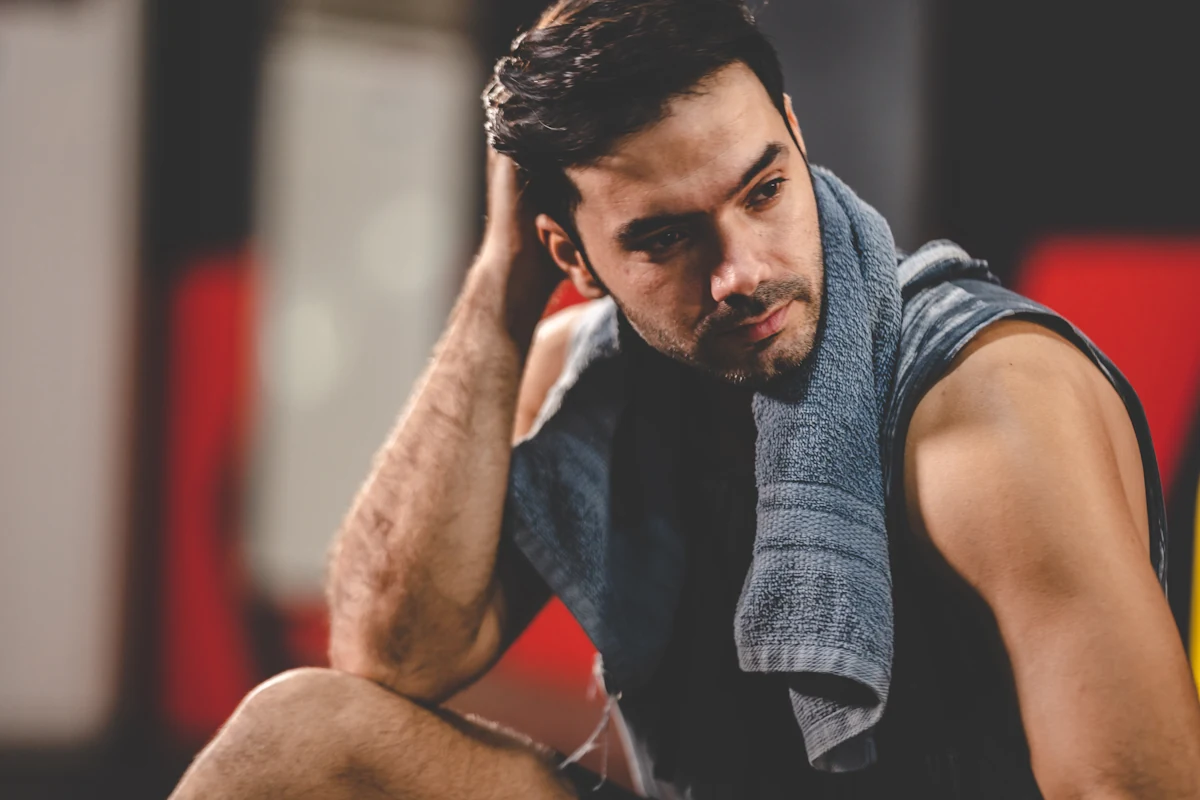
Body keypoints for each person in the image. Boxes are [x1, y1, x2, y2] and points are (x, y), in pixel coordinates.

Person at [169, 1, 1200, 798]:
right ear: (572, 254)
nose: (743, 273)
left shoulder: (987, 404)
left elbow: (1134, 788)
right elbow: (389, 653)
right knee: (295, 737)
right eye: (663, 238)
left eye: (764, 189)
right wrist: (498, 291)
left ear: (796, 134)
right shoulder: (586, 381)